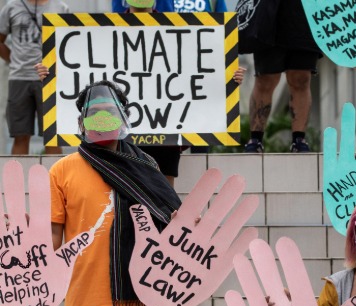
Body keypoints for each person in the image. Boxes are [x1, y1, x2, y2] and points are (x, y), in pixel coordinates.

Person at [50, 80, 182, 306]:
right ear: (81, 122)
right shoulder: (61, 171)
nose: (102, 119)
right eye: (93, 113)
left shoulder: (147, 165)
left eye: (110, 112)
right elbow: (52, 239)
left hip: (146, 299)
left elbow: (167, 226)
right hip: (86, 301)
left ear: (123, 117)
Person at [112, 0, 246, 186]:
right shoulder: (106, 28)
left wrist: (228, 76)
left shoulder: (176, 26)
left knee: (164, 186)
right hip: (127, 125)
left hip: (166, 123)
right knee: (130, 185)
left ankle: (165, 215)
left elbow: (197, 66)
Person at [243, 0, 322, 153]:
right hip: (269, 13)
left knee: (301, 77)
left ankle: (299, 140)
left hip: (306, 12)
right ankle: (255, 139)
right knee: (265, 78)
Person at [0, 0, 68, 155]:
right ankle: (17, 179)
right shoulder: (11, 7)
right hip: (19, 78)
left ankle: (55, 179)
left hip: (50, 79)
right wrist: (13, 60)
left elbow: (68, 41)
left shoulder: (61, 7)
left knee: (52, 136)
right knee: (20, 135)